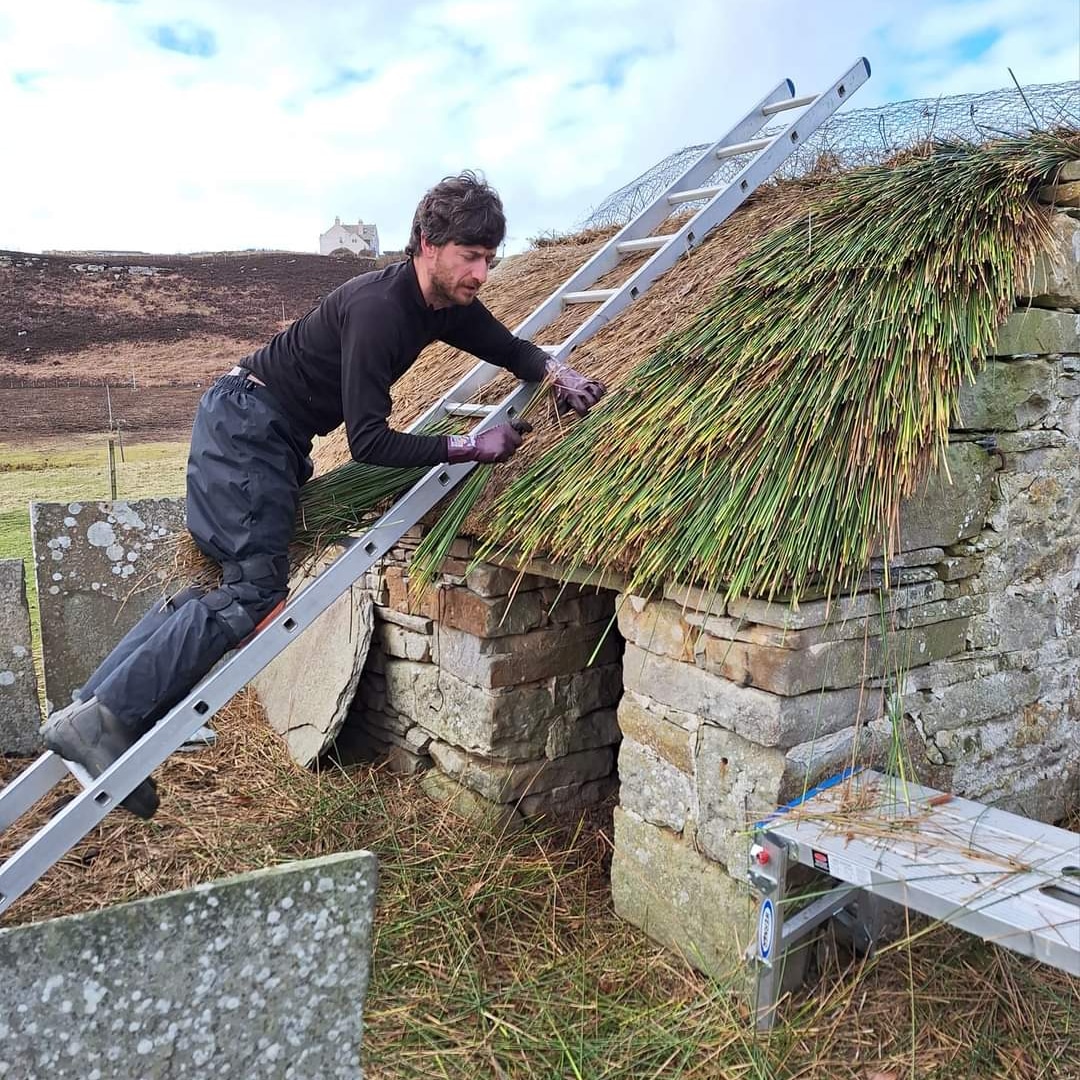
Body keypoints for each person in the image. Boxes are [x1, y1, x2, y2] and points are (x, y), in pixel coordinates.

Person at [42, 171, 607, 819]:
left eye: (489, 258)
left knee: (226, 589)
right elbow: (368, 442)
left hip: (252, 427)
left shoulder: (441, 305)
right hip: (249, 430)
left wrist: (560, 373)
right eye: (469, 256)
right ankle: (110, 719)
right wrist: (467, 448)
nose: (481, 272)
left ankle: (92, 711)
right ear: (427, 243)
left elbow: (507, 347)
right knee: (255, 593)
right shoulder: (380, 311)